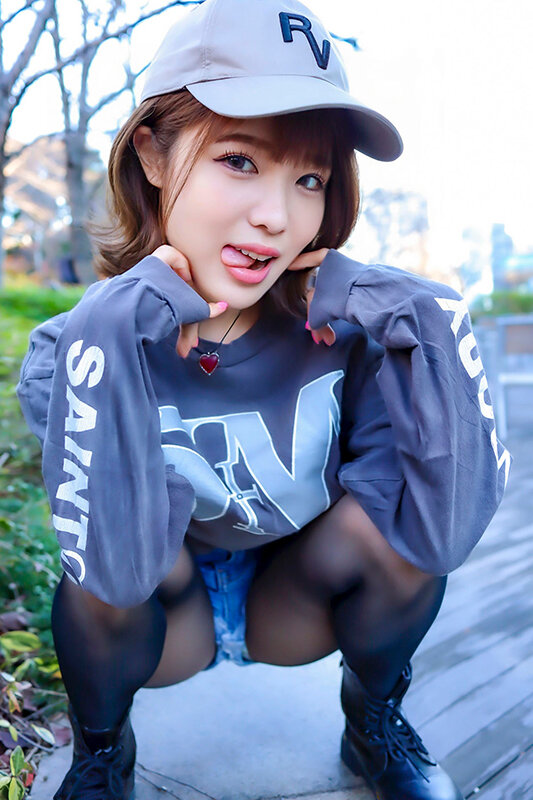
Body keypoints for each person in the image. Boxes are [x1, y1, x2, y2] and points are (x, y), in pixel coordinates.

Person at [16, 0, 511, 798]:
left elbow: (440, 532)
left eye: (309, 178)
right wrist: (117, 319)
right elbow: (112, 565)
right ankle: (104, 752)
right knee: (96, 576)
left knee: (401, 528)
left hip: (294, 603)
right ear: (151, 153)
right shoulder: (71, 351)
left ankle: (371, 722)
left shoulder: (348, 336)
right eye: (239, 160)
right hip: (164, 616)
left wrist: (413, 311)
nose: (277, 217)